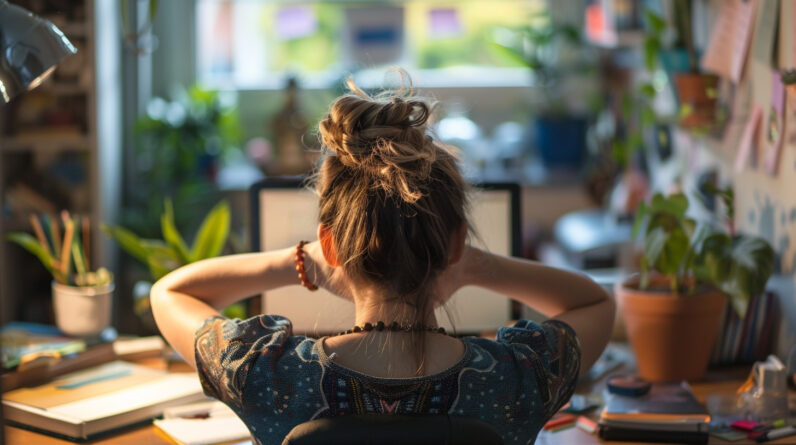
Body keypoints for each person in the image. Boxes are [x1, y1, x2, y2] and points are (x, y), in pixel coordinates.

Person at [151, 71, 615, 445]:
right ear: (454, 246)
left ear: (330, 245)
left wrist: (306, 261)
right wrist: (473, 263)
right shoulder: (519, 378)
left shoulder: (265, 374)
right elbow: (596, 304)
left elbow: (171, 291)